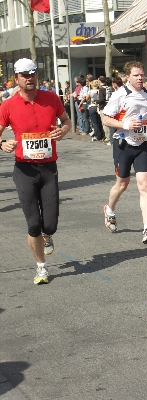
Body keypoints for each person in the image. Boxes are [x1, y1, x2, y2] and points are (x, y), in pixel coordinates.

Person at [0, 58, 71, 285]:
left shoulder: (51, 98)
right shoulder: (8, 105)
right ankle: (41, 267)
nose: (29, 78)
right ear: (17, 78)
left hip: (48, 168)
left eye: (33, 73)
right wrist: (2, 144)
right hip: (24, 170)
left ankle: (47, 235)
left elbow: (67, 121)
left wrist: (63, 131)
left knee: (49, 225)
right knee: (33, 224)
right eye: (24, 75)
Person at [102, 61, 147, 244]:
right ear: (127, 77)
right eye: (136, 75)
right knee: (122, 184)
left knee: (144, 185)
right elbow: (105, 118)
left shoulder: (146, 94)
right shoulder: (121, 94)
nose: (140, 78)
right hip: (123, 144)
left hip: (142, 143)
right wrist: (125, 125)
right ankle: (109, 210)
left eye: (142, 74)